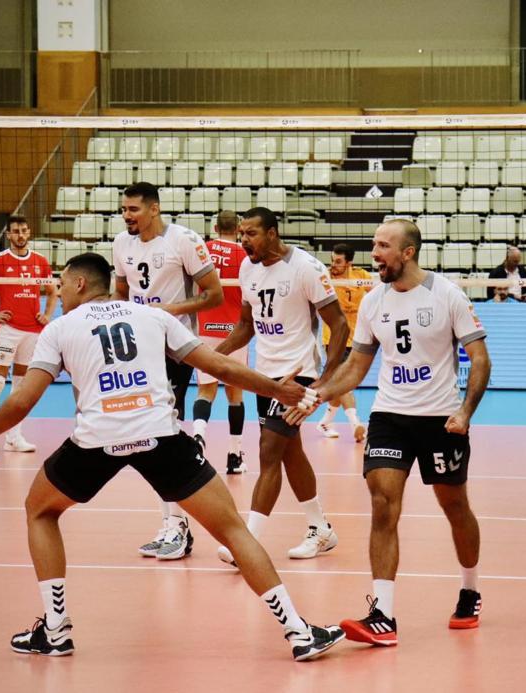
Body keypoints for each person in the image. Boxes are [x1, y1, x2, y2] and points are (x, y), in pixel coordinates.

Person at [0, 253, 345, 662]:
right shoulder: (152, 316)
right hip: (160, 436)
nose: (58, 291)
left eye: (61, 283)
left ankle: (56, 630)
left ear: (80, 284)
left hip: (96, 441)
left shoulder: (61, 329)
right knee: (233, 530)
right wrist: (276, 389)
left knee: (39, 511)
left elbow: (26, 397)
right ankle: (298, 632)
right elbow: (216, 364)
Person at [286, 218, 491, 646]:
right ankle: (383, 615)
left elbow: (480, 358)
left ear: (407, 252)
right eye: (374, 244)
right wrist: (318, 393)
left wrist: (466, 412)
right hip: (390, 417)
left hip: (440, 420)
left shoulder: (446, 295)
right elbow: (357, 366)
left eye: (382, 246)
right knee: (382, 504)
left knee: (454, 505)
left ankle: (470, 589)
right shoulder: (374, 300)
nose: (374, 253)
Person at [215, 207, 350, 563]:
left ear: (272, 233)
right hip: (265, 375)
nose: (244, 240)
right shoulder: (247, 269)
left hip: (299, 374)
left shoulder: (305, 267)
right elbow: (246, 326)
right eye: (241, 233)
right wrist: (211, 355)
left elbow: (339, 326)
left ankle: (245, 543)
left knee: (269, 449)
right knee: (291, 453)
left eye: (251, 233)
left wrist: (323, 382)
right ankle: (320, 528)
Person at [112, 182, 225, 561]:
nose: (127, 216)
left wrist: (167, 312)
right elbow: (120, 294)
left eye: (133, 209)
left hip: (174, 347)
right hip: (138, 347)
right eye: (124, 209)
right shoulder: (121, 244)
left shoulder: (183, 241)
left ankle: (176, 526)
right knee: (150, 433)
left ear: (154, 209)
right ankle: (174, 524)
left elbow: (215, 294)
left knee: (160, 433)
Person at [0, 216, 57, 455]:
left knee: (20, 387)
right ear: (8, 234)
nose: (20, 235)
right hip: (9, 330)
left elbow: (53, 290)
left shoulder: (40, 261)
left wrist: (47, 314)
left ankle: (14, 438)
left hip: (33, 332)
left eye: (24, 231)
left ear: (29, 232)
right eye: (16, 231)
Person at [190, 211, 249, 474]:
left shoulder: (203, 250)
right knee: (235, 395)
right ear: (238, 228)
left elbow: (193, 289)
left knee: (206, 390)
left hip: (205, 328)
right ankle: (234, 456)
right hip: (235, 331)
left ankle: (198, 436)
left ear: (214, 227)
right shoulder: (244, 254)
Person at [316, 243, 372, 442]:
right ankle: (355, 423)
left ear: (349, 262)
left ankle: (325, 421)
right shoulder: (327, 277)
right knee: (344, 381)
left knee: (342, 382)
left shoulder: (361, 276)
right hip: (333, 338)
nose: (334, 265)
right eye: (332, 260)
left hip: (356, 337)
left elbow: (377, 294)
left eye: (339, 261)